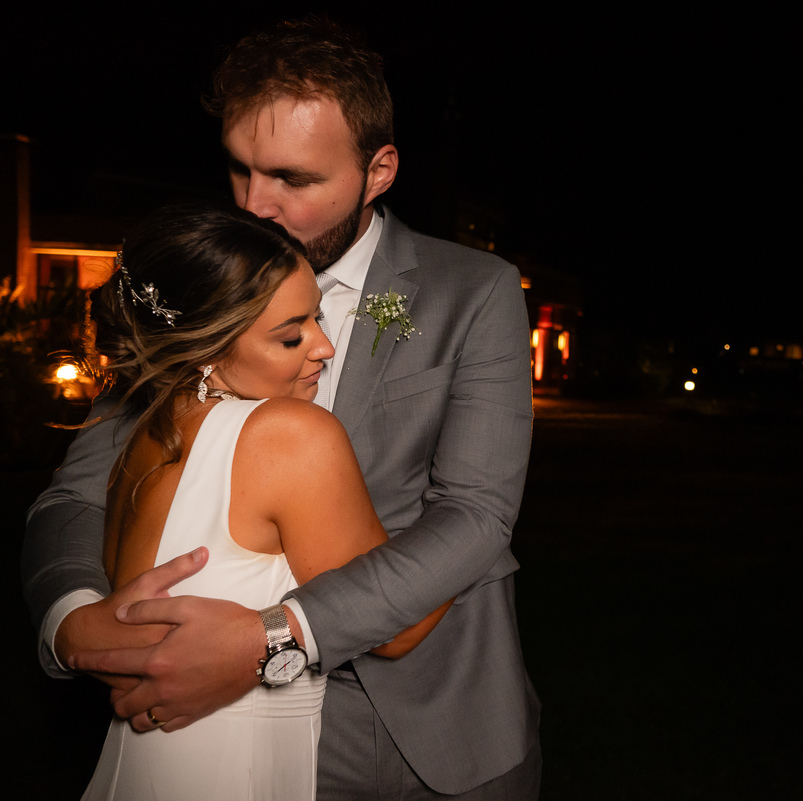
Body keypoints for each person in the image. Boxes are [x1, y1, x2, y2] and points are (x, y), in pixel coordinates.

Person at [22, 18, 540, 800]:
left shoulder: (475, 292)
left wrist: (276, 636)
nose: (256, 205)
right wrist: (72, 621)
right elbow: (75, 489)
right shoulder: (206, 280)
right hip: (214, 722)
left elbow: (474, 512)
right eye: (240, 170)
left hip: (435, 727)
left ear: (379, 170)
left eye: (293, 179)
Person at [79, 204, 452, 800]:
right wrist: (467, 515)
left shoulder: (142, 431)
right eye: (291, 335)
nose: (325, 348)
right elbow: (397, 628)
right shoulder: (287, 435)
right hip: (230, 771)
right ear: (207, 346)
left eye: (316, 319)